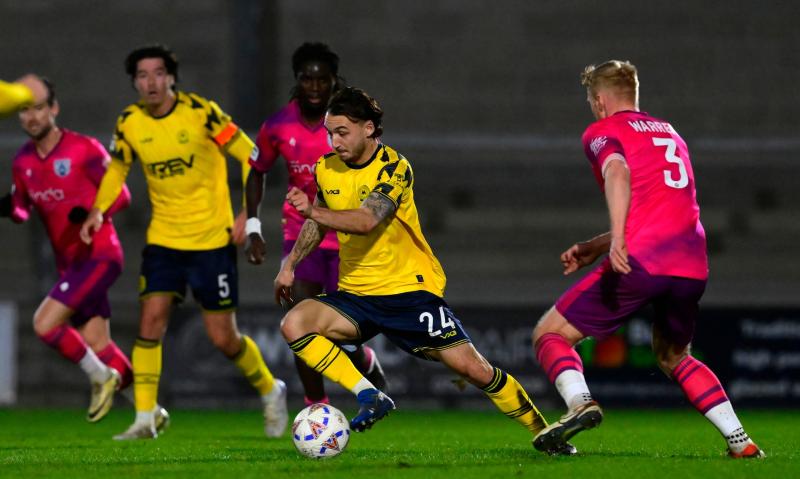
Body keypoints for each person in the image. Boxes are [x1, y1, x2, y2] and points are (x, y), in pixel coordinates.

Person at [275, 86, 572, 455]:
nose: (334, 141)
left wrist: (312, 211)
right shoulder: (326, 169)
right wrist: (290, 265)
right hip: (356, 294)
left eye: (342, 132)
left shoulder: (394, 168)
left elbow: (367, 220)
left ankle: (545, 432)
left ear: (368, 128)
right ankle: (370, 394)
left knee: (474, 369)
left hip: (409, 293)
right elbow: (317, 224)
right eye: (329, 133)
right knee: (295, 323)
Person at [530, 60, 764, 459]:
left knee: (550, 334)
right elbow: (661, 209)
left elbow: (617, 173)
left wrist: (619, 239)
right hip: (691, 265)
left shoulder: (603, 131)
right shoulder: (671, 133)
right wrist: (598, 245)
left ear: (600, 100)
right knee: (675, 356)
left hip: (641, 261)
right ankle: (740, 441)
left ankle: (580, 402)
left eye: (591, 100)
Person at [80, 44, 287, 440]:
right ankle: (145, 417)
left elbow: (251, 155)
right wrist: (97, 211)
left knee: (223, 338)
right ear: (135, 83)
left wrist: (249, 212)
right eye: (142, 76)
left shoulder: (202, 113)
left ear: (171, 77)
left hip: (212, 240)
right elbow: (118, 166)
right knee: (151, 319)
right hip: (164, 241)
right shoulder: (129, 122)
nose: (151, 82)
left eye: (158, 73)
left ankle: (269, 389)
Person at [245, 42, 386, 406]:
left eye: (322, 79)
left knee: (343, 332)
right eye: (307, 78)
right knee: (300, 321)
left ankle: (362, 358)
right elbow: (256, 172)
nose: (315, 86)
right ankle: (315, 405)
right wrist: (253, 227)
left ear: (333, 81)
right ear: (298, 80)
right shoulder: (277, 125)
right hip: (301, 235)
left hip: (346, 238)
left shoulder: (348, 124)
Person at [0, 76, 135, 423]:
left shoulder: (83, 149)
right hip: (69, 265)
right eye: (24, 110)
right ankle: (148, 409)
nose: (31, 117)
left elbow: (122, 195)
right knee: (99, 345)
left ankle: (101, 379)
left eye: (39, 108)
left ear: (54, 109)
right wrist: (7, 208)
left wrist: (93, 212)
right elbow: (21, 210)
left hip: (100, 255)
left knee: (44, 324)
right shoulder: (23, 163)